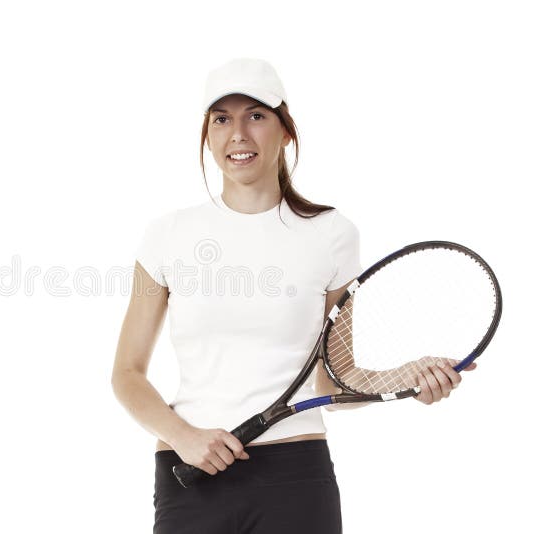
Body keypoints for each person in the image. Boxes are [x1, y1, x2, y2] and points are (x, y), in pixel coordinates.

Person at [111, 57, 475, 534]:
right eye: (222, 119)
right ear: (208, 135)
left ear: (286, 132)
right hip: (189, 474)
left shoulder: (333, 235)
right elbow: (126, 373)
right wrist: (183, 436)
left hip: (296, 476)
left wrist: (411, 378)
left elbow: (335, 380)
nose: (238, 133)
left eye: (256, 115)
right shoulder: (164, 235)